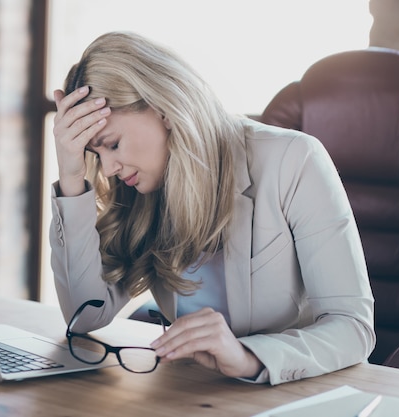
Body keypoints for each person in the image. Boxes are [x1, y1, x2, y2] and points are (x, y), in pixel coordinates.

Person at [49, 31, 375, 385]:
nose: (108, 168)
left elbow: (353, 326)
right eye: (97, 154)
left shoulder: (294, 160)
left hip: (292, 394)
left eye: (112, 144)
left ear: (164, 109)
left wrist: (248, 357)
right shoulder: (140, 190)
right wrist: (70, 176)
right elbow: (85, 318)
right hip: (189, 392)